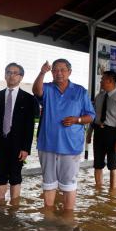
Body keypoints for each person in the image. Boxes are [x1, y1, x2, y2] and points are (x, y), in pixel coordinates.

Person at [32, 59, 95, 212]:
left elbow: (91, 116)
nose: (58, 73)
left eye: (62, 69)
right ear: (51, 72)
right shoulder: (47, 88)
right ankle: (48, 216)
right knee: (48, 182)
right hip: (47, 144)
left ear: (69, 72)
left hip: (71, 145)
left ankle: (68, 218)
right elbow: (36, 91)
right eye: (55, 70)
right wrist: (42, 73)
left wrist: (77, 120)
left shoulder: (80, 91)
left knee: (69, 184)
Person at [0, 62, 39, 206]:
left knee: (16, 175)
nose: (11, 75)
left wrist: (26, 148)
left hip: (18, 144)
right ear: (5, 75)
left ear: (21, 77)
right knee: (0, 174)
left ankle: (14, 208)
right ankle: (0, 205)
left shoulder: (28, 98)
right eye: (9, 72)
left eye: (15, 73)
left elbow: (29, 126)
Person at [86, 70, 116, 190]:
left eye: (102, 79)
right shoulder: (99, 97)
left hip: (112, 134)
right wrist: (89, 133)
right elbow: (93, 116)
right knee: (97, 164)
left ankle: (113, 192)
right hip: (98, 132)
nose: (100, 81)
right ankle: (98, 190)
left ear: (110, 81)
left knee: (113, 165)